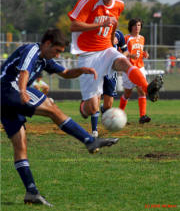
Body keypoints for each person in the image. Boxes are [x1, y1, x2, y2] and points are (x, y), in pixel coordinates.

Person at [0, 28, 119, 207]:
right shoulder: (32, 50)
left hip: (5, 100)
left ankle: (31, 191)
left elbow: (65, 73)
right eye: (56, 50)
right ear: (47, 44)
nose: (57, 54)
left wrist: (82, 70)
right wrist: (23, 91)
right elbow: (24, 73)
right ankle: (88, 140)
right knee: (51, 108)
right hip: (9, 88)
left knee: (20, 144)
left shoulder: (45, 59)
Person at [68, 0, 163, 125]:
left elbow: (112, 27)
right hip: (88, 54)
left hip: (106, 49)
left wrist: (112, 42)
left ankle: (148, 89)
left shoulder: (119, 4)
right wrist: (100, 24)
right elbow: (73, 26)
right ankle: (84, 107)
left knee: (125, 63)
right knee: (91, 108)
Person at [93, 30, 128, 137]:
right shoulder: (96, 32)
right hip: (98, 70)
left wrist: (121, 57)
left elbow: (126, 50)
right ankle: (94, 130)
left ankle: (104, 109)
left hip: (111, 72)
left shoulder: (119, 34)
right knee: (96, 99)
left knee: (108, 105)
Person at [119, 18, 151, 124]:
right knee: (127, 93)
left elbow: (139, 52)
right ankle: (119, 115)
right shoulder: (126, 38)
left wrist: (144, 54)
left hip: (140, 67)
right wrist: (129, 55)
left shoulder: (142, 38)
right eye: (135, 25)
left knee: (142, 91)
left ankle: (142, 116)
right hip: (129, 68)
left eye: (139, 25)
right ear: (131, 27)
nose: (137, 27)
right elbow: (120, 53)